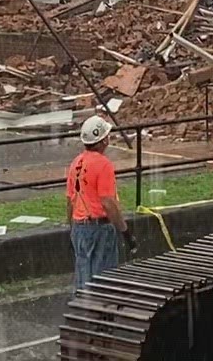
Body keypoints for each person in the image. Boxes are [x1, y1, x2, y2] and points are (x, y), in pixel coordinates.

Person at [67, 114, 130, 292]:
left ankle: (83, 313)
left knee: (83, 281)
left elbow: (70, 199)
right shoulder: (103, 165)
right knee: (104, 282)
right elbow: (108, 203)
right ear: (103, 140)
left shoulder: (76, 163)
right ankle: (102, 315)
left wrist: (71, 228)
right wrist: (125, 230)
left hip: (79, 227)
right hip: (99, 228)